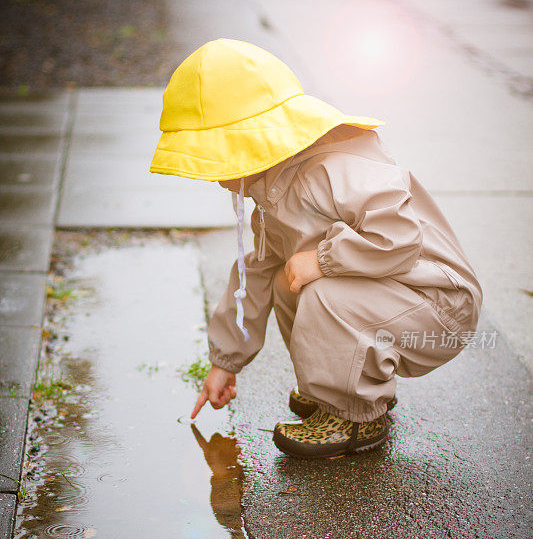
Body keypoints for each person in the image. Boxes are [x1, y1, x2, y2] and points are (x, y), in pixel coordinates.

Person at [150, 38, 482, 459]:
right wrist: (225, 361)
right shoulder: (274, 191)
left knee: (319, 285)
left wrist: (324, 259)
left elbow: (399, 237)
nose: (218, 178)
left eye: (220, 158)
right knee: (286, 278)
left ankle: (357, 414)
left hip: (440, 306)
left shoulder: (334, 167)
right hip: (396, 298)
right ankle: (339, 388)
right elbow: (254, 276)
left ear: (253, 142)